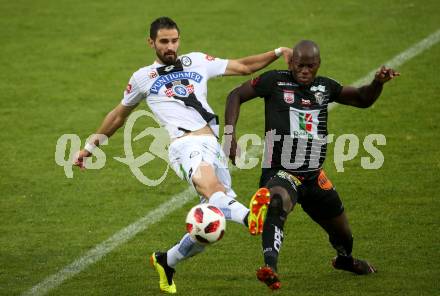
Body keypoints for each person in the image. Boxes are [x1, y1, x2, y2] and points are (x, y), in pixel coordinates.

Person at [73, 17, 292, 294]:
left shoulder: (196, 61)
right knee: (214, 190)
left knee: (210, 222)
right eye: (163, 42)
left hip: (211, 146)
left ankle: (167, 260)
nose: (170, 47)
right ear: (151, 42)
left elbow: (243, 66)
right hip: (184, 146)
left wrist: (276, 53)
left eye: (174, 40)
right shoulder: (143, 77)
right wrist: (89, 148)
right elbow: (118, 115)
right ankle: (251, 218)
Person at [224, 40, 399, 290]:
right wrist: (230, 136)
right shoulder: (274, 81)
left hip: (314, 175)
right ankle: (270, 267)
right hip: (280, 171)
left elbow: (362, 99)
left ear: (318, 65)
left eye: (310, 66)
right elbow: (236, 95)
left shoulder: (325, 87)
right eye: (299, 66)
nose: (304, 71)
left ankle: (344, 260)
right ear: (291, 62)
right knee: (276, 202)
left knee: (343, 235)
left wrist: (377, 83)